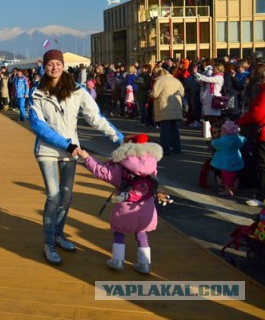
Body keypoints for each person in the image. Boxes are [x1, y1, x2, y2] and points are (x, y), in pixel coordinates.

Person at [29, 49, 125, 265]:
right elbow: (37, 125)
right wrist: (66, 144)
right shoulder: (37, 92)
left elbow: (95, 118)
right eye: (50, 63)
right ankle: (49, 243)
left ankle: (59, 234)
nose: (54, 67)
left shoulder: (77, 90)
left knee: (67, 195)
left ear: (63, 65)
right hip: (48, 151)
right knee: (53, 196)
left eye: (58, 63)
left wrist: (119, 138)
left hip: (71, 151)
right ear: (44, 66)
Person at [78, 134, 170, 273]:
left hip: (125, 205)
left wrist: (87, 157)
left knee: (119, 232)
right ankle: (144, 264)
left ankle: (118, 260)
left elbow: (101, 171)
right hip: (147, 207)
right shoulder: (151, 163)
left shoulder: (122, 164)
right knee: (142, 233)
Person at [236, 63, 265, 206]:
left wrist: (240, 121)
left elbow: (256, 114)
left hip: (263, 133)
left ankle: (261, 196)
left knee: (262, 165)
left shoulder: (263, 91)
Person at [150, 68, 185, 155]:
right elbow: (182, 93)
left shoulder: (160, 81)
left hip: (164, 107)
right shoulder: (176, 80)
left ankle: (166, 149)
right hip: (176, 107)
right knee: (174, 128)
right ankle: (177, 148)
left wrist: (150, 94)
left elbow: (154, 94)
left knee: (164, 129)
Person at [211, 120, 246, 196]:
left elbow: (215, 143)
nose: (217, 134)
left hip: (225, 162)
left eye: (219, 131)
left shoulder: (222, 141)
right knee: (232, 173)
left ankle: (229, 188)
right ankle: (231, 185)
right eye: (214, 133)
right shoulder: (237, 139)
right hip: (235, 160)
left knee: (227, 175)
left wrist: (238, 180)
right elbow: (244, 139)